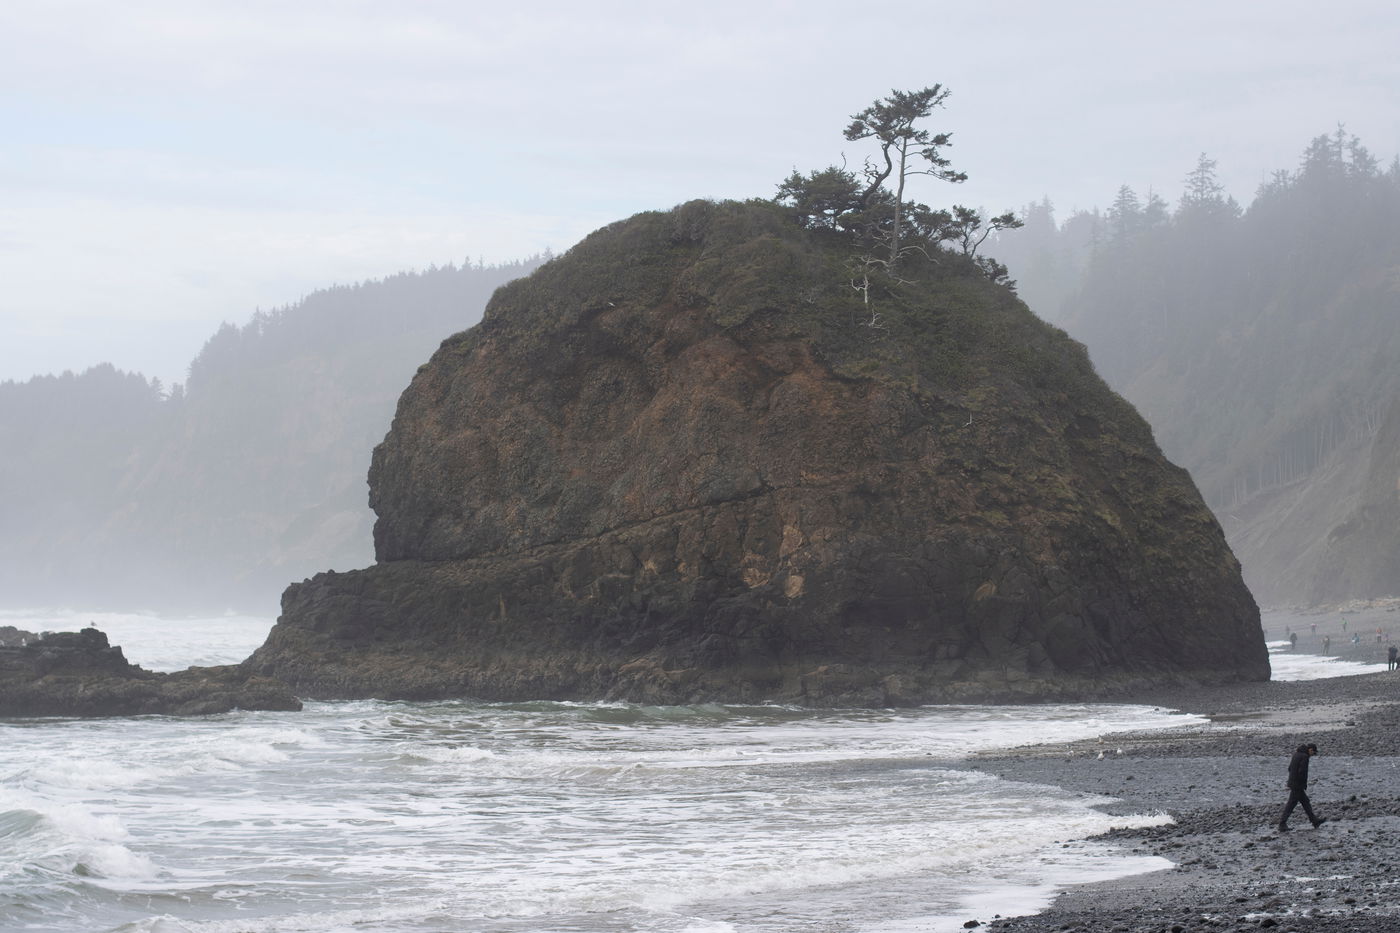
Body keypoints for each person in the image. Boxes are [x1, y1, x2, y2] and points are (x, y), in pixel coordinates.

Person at [1278, 742, 1326, 832]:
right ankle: (1282, 824)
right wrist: (1302, 784)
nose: (1313, 755)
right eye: (1314, 753)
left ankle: (1315, 821)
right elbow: (1302, 772)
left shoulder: (1296, 754)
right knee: (1291, 804)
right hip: (1298, 785)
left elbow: (1289, 768)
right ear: (1310, 750)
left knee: (1305, 802)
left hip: (1293, 782)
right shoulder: (1305, 757)